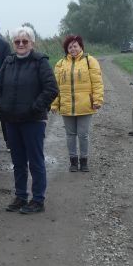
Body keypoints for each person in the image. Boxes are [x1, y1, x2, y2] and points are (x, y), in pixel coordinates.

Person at [0, 25, 58, 214]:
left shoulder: (40, 62)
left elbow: (51, 89)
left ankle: (38, 200)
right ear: (14, 43)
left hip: (33, 121)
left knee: (35, 160)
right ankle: (21, 196)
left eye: (25, 41)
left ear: (32, 43)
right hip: (11, 121)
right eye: (17, 41)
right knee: (18, 161)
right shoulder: (9, 62)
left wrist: (35, 108)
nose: (21, 44)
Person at [51, 34, 104, 172]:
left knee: (83, 134)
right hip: (67, 105)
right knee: (70, 135)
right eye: (70, 47)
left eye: (75, 46)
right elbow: (56, 87)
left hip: (85, 105)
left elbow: (97, 82)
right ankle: (73, 161)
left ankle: (84, 161)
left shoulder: (89, 61)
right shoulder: (60, 64)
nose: (73, 48)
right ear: (66, 49)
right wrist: (54, 104)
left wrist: (97, 100)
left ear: (81, 47)